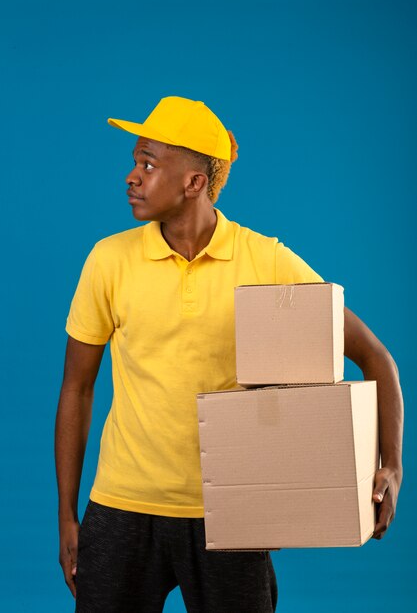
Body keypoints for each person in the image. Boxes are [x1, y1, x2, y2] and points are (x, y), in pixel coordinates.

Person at [55, 96, 403, 613]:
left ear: (194, 183)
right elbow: (77, 389)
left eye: (148, 165)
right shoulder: (109, 261)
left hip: (232, 513)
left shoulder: (266, 261)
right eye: (134, 162)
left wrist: (390, 466)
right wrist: (67, 516)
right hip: (122, 506)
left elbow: (377, 359)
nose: (131, 177)